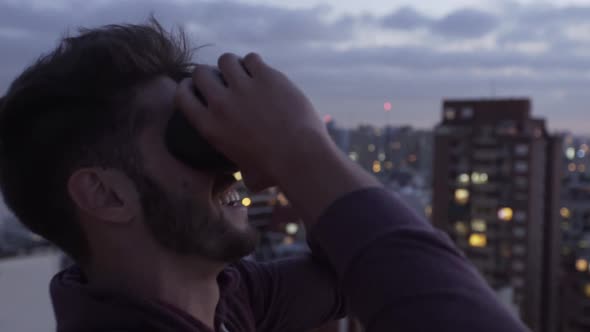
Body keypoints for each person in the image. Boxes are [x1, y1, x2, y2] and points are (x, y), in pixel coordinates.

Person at [0, 19, 530, 332]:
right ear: (104, 193)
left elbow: (358, 273)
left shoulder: (233, 298)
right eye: (188, 136)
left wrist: (293, 163)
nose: (226, 157)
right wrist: (300, 151)